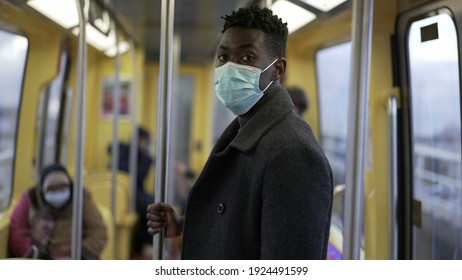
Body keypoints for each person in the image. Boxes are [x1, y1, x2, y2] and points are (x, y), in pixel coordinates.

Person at [147, 6, 333, 260]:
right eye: (223, 57)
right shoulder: (247, 126)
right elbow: (244, 221)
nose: (229, 67)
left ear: (277, 69)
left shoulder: (293, 152)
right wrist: (185, 225)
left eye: (246, 57)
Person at [8, 163, 107, 259]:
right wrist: (40, 256)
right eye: (52, 189)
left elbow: (98, 230)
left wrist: (82, 254)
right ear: (42, 191)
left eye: (62, 188)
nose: (58, 193)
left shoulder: (81, 197)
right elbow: (18, 231)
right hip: (41, 257)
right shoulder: (31, 198)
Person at [108, 126, 154, 257]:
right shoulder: (126, 153)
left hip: (128, 192)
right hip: (126, 193)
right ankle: (140, 247)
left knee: (152, 202)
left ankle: (142, 245)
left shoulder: (132, 153)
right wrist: (146, 158)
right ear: (140, 141)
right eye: (147, 142)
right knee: (151, 206)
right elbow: (137, 177)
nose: (148, 145)